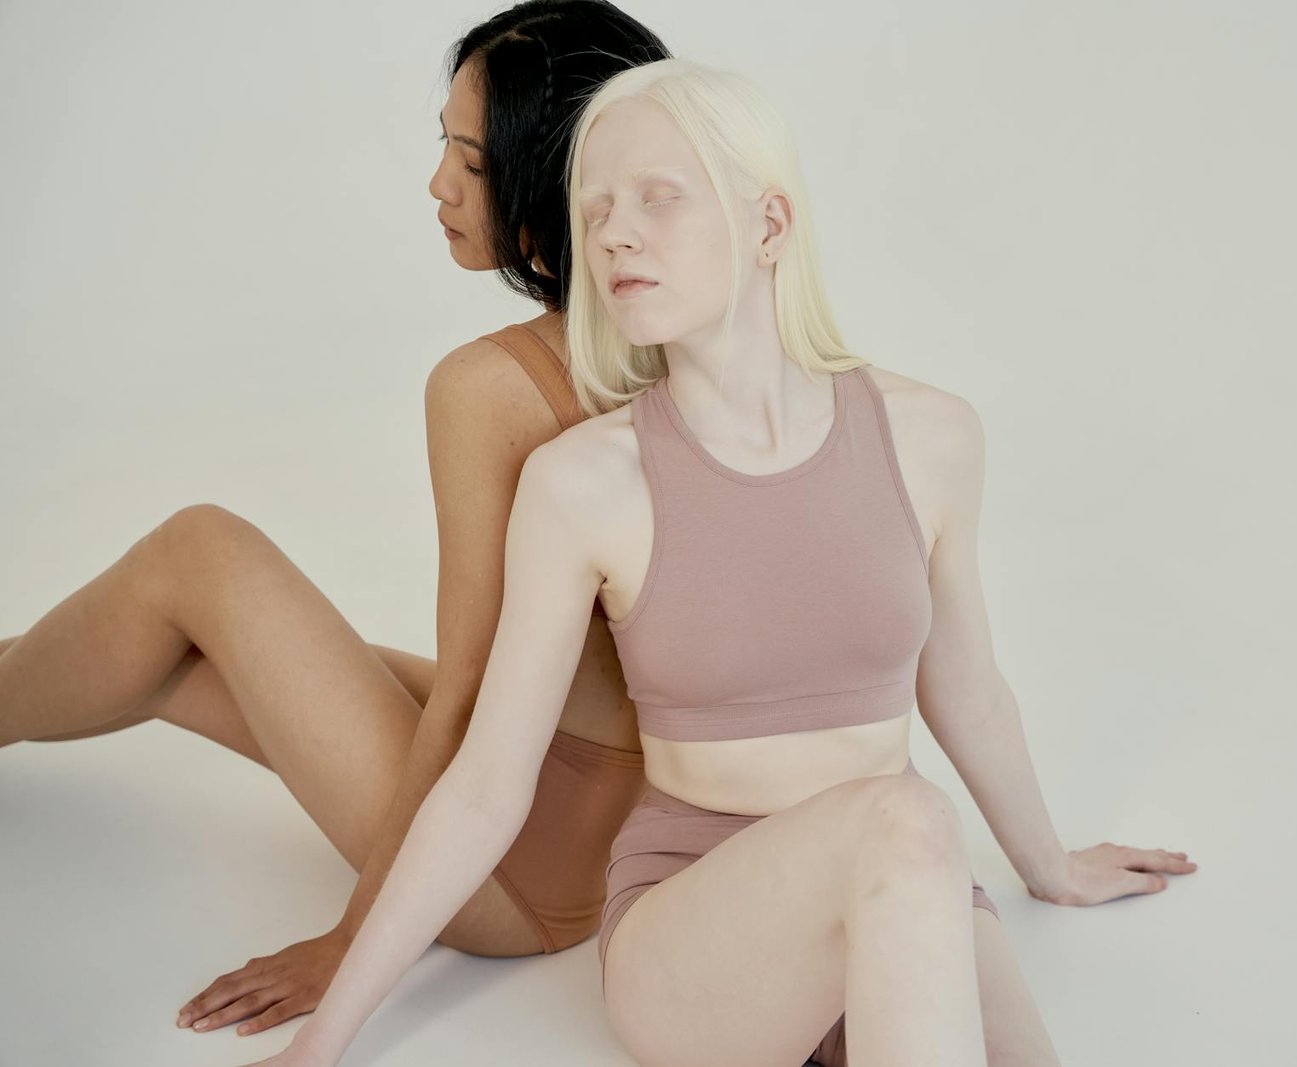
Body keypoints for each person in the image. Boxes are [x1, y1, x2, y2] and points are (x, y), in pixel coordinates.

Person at [249, 58, 1198, 1067]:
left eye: (659, 196)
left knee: (916, 845)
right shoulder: (585, 485)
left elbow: (966, 685)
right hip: (694, 937)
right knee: (909, 814)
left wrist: (1048, 865)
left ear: (770, 224)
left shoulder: (932, 439)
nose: (615, 231)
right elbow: (486, 785)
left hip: (906, 889)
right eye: (597, 207)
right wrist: (323, 1044)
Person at [0, 0, 676, 1040]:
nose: (437, 186)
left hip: (507, 867)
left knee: (200, 552)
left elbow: (461, 689)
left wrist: (356, 939)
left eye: (472, 164)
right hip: (620, 828)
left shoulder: (488, 387)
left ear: (553, 189)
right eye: (441, 148)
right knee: (183, 655)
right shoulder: (695, 339)